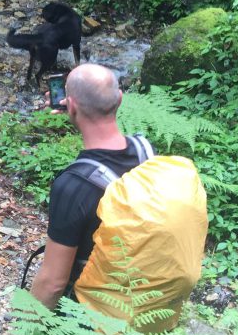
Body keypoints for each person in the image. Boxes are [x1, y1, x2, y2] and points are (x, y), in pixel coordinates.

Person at [28, 63, 148, 309]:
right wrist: (80, 112)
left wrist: (21, 333)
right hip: (142, 295)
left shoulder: (72, 187)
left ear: (70, 105)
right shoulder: (145, 151)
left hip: (91, 313)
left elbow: (52, 283)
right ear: (120, 100)